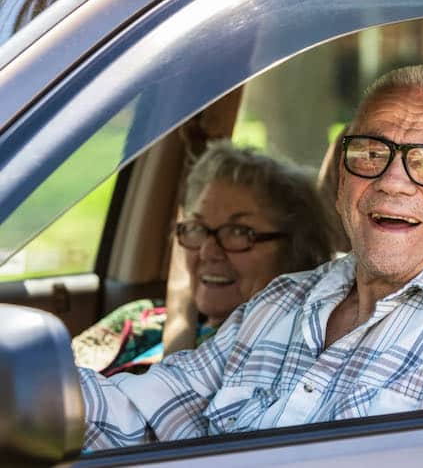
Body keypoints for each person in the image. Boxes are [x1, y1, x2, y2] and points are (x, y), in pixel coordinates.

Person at [79, 65, 423, 450]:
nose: (391, 180)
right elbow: (140, 416)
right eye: (370, 153)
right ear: (343, 178)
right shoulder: (285, 298)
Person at [72, 140, 336, 376]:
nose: (209, 252)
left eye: (238, 232)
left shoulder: (285, 356)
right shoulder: (141, 321)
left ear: (296, 249)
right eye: (198, 228)